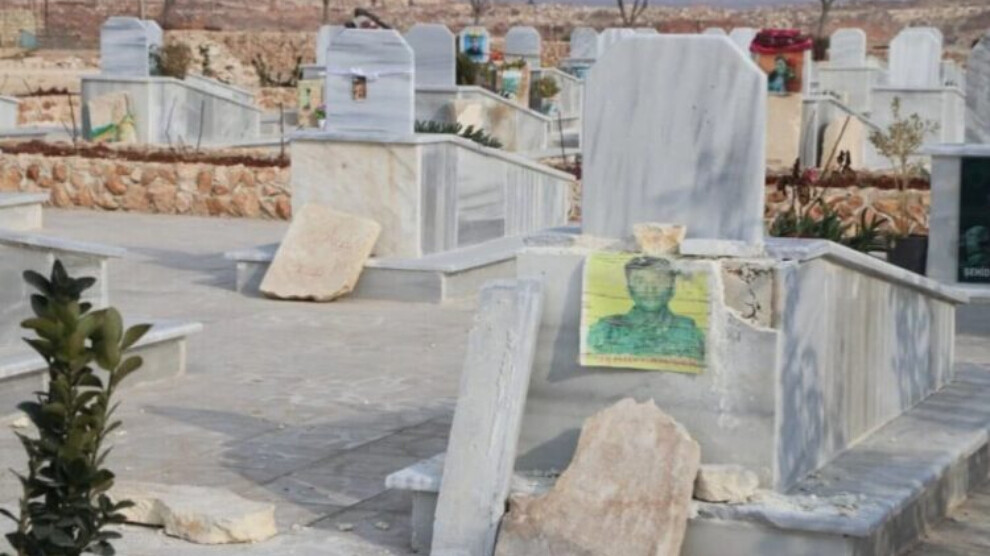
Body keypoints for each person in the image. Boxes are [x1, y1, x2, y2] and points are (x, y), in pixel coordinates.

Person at [587, 257, 705, 362]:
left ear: (672, 289)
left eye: (659, 281)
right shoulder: (606, 332)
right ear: (629, 290)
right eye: (640, 281)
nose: (650, 289)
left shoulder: (690, 333)